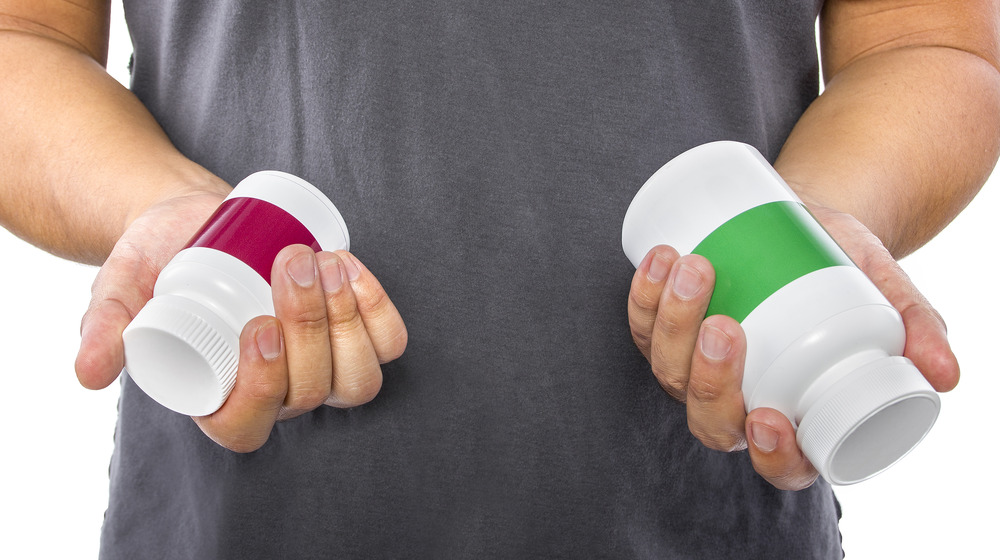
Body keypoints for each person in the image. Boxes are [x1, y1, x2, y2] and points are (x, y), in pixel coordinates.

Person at [1, 1, 996, 558]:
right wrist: (168, 211)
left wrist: (796, 225)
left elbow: (927, 39)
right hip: (234, 522)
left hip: (698, 511)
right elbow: (25, 39)